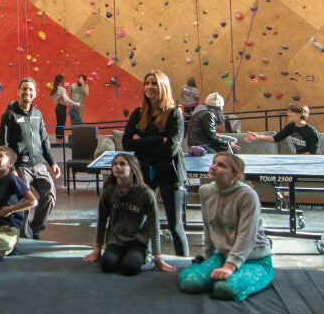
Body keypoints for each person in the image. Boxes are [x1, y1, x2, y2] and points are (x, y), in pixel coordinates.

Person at [180, 152, 274, 300]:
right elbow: (209, 228)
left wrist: (229, 267)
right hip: (222, 256)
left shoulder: (247, 195)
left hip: (255, 259)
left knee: (224, 288)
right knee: (189, 282)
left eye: (221, 165)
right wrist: (207, 258)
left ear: (234, 176)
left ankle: (260, 276)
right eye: (214, 163)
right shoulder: (205, 191)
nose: (213, 167)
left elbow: (247, 235)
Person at [121, 70, 190, 257]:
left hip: (170, 172)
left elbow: (172, 149)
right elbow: (127, 143)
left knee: (175, 226)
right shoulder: (138, 113)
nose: (150, 87)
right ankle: (144, 258)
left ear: (163, 87)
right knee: (143, 221)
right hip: (144, 171)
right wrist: (159, 140)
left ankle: (183, 263)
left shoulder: (175, 113)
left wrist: (141, 141)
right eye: (147, 83)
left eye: (154, 84)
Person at [84, 153, 176, 275]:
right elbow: (101, 220)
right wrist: (97, 248)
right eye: (115, 164)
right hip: (116, 241)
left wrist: (158, 257)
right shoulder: (108, 192)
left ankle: (138, 257)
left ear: (132, 170)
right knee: (107, 265)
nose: (117, 167)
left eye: (122, 164)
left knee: (129, 268)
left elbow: (154, 225)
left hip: (138, 241)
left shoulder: (145, 193)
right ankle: (120, 256)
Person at [0, 78, 59, 240]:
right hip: (20, 167)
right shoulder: (9, 115)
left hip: (39, 165)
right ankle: (24, 235)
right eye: (24, 89)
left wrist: (52, 162)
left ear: (35, 93)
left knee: (49, 195)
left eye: (31, 89)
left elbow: (44, 140)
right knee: (24, 202)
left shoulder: (37, 114)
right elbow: (3, 145)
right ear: (18, 92)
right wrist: (10, 169)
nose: (27, 92)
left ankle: (36, 229)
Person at [245, 104, 320, 154]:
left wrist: (292, 160)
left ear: (300, 114)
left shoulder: (312, 132)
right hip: (299, 161)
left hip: (313, 163)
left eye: (291, 112)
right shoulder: (291, 126)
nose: (288, 114)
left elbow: (311, 153)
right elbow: (275, 138)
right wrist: (258, 136)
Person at [50, 74, 75, 141]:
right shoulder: (62, 89)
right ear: (61, 80)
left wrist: (56, 101)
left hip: (58, 107)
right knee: (61, 124)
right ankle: (60, 139)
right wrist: (71, 103)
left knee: (58, 123)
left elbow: (53, 98)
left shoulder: (55, 88)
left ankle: (58, 138)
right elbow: (66, 99)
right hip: (62, 108)